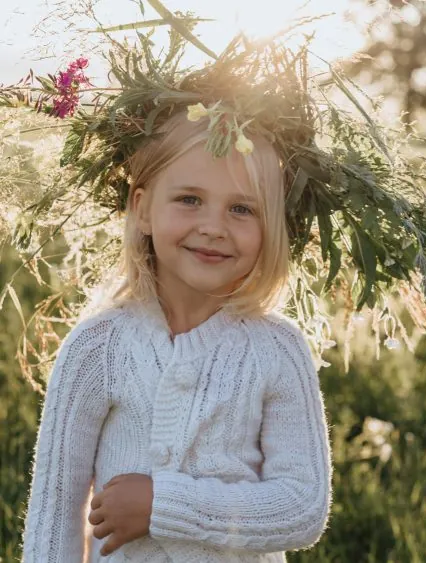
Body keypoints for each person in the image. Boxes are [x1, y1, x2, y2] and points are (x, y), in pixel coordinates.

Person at [20, 109, 332, 562]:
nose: (212, 226)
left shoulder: (277, 350)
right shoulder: (97, 347)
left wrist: (162, 505)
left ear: (271, 228)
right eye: (189, 199)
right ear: (142, 208)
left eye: (241, 209)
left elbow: (301, 507)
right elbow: (53, 517)